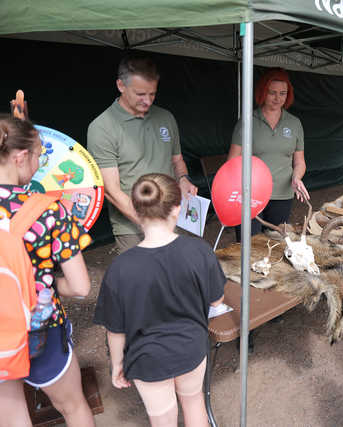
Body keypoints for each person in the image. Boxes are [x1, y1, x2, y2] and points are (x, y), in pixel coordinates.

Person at [93, 173, 226, 427]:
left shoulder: (120, 268)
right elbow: (216, 301)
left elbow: (115, 328)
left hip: (146, 358)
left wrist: (117, 363)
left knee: (162, 418)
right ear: (177, 208)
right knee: (193, 403)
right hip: (191, 348)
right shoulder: (199, 251)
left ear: (135, 208)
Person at [0, 114, 95, 426]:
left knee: (13, 416)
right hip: (40, 328)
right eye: (39, 155)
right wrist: (47, 281)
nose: (40, 164)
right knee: (75, 408)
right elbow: (81, 287)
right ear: (20, 156)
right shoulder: (49, 210)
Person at [87, 54, 197, 254]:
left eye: (152, 94)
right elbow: (111, 191)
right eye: (140, 94)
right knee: (142, 280)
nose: (147, 101)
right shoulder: (102, 127)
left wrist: (183, 179)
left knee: (178, 277)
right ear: (121, 85)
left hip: (172, 215)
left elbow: (177, 160)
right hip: (132, 225)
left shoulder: (166, 117)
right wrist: (150, 224)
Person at [227, 68, 310, 241]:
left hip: (282, 194)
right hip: (251, 194)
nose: (277, 98)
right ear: (263, 92)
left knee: (275, 244)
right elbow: (233, 161)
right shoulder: (247, 121)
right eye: (272, 93)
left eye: (282, 93)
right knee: (248, 244)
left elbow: (300, 162)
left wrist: (297, 177)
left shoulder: (295, 123)